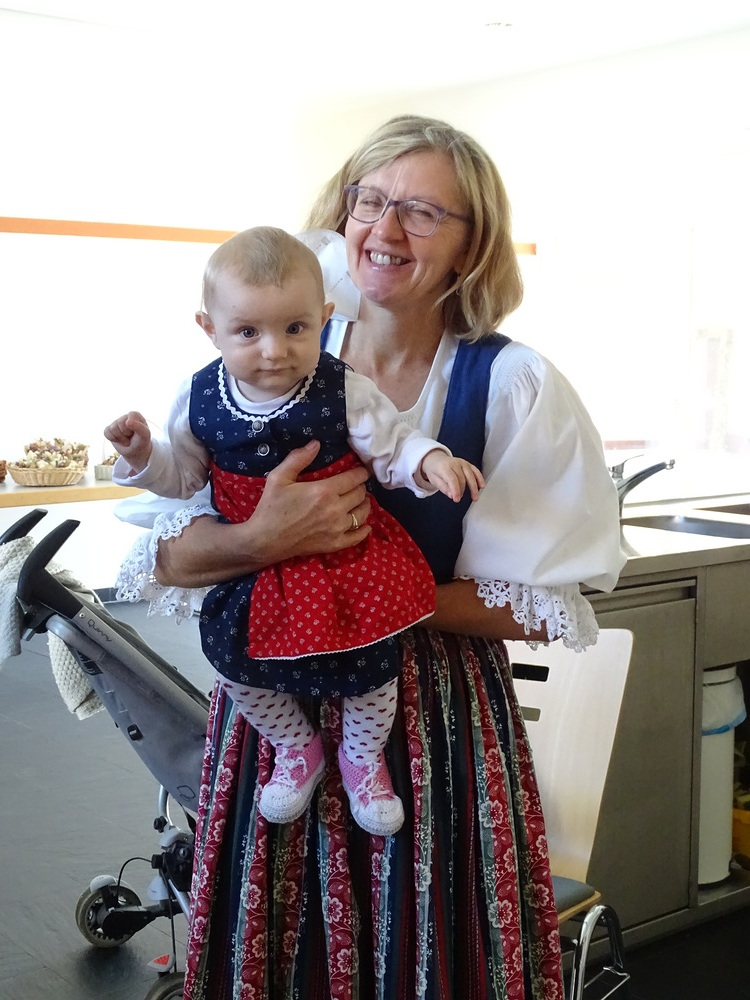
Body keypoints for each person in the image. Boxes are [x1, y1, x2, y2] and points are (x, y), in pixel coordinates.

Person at [114, 115, 625, 999]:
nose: (386, 229)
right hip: (275, 700)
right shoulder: (266, 350)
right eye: (370, 200)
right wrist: (264, 542)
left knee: (426, 945)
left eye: (423, 212)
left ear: (472, 245)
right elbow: (164, 559)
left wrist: (363, 596)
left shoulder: (511, 386)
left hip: (431, 723)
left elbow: (541, 605)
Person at [105, 225, 484, 839]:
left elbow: (391, 444)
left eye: (295, 328)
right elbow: (184, 479)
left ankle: (362, 761)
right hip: (255, 570)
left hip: (345, 561)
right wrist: (144, 456)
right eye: (248, 332)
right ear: (209, 328)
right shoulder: (198, 397)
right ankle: (295, 747)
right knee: (234, 661)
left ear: (324, 318)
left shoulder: (344, 388)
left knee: (373, 662)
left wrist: (429, 461)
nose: (274, 350)